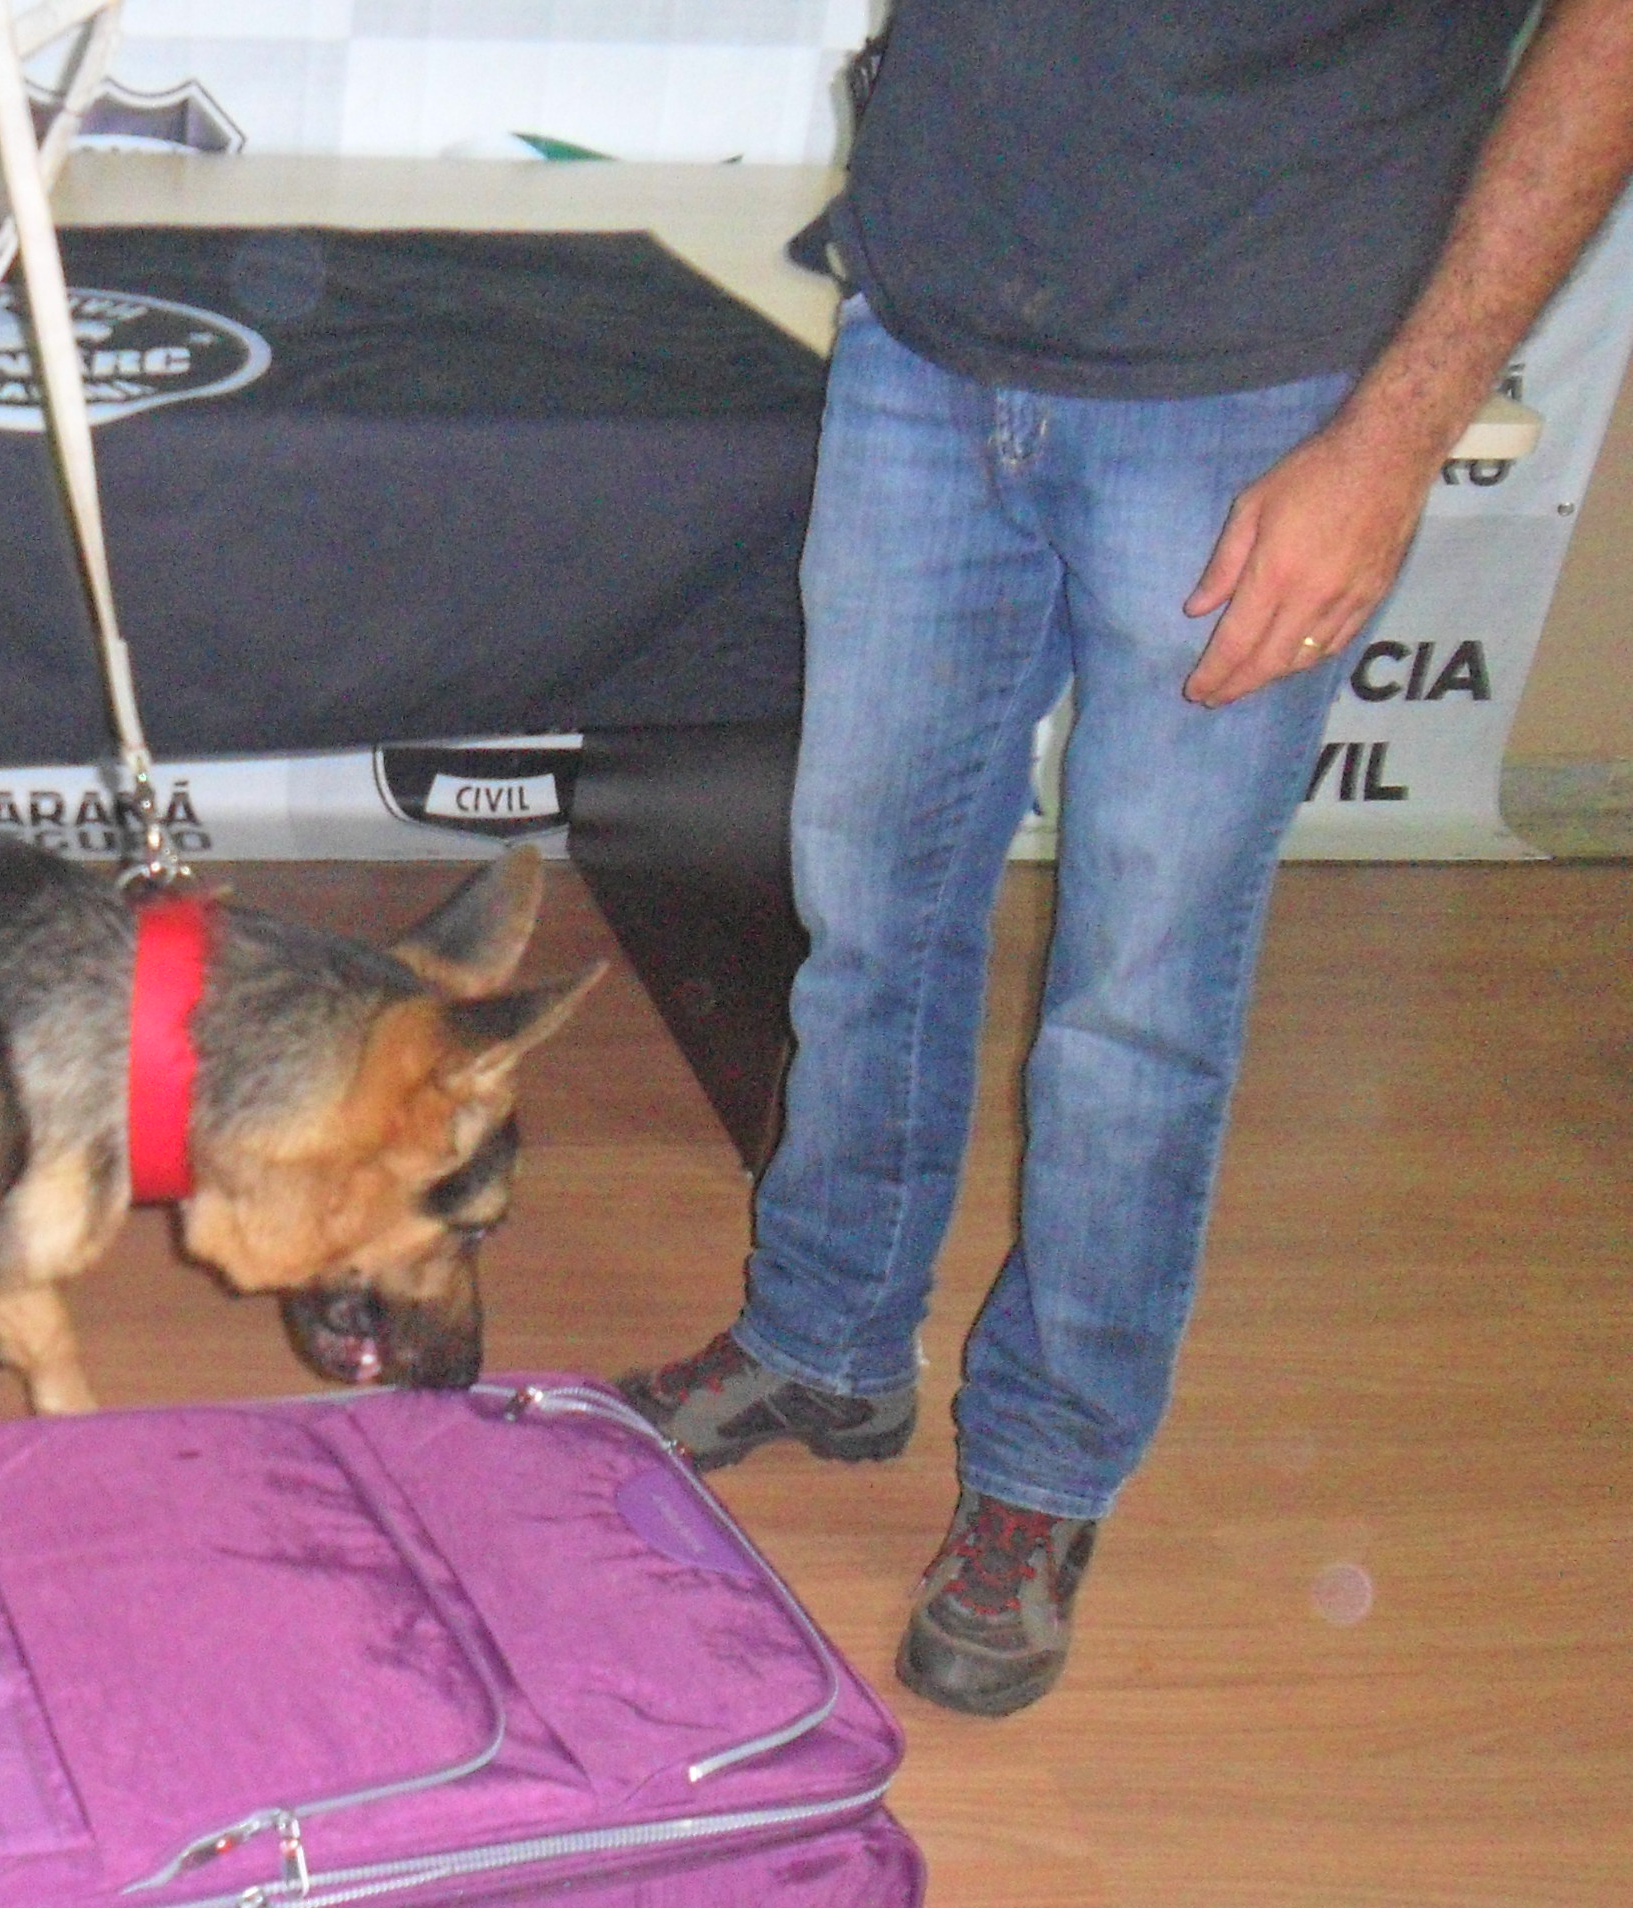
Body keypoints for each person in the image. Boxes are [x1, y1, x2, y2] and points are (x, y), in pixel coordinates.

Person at [619, 0, 1633, 1716]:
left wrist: (1394, 439)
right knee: (866, 921)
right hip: (928, 335)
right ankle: (827, 1340)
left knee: (1136, 997)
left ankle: (1046, 1464)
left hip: (1261, 387)